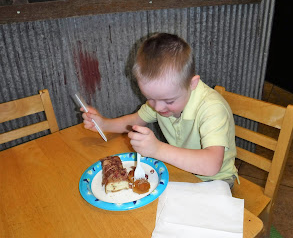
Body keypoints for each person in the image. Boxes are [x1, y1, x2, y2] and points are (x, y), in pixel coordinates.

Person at [82, 33, 238, 188]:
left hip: (216, 181)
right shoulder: (161, 100)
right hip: (181, 170)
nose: (157, 107)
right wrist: (104, 124)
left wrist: (157, 149)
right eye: (150, 98)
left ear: (192, 84)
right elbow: (135, 120)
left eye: (169, 101)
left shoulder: (211, 108)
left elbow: (211, 165)